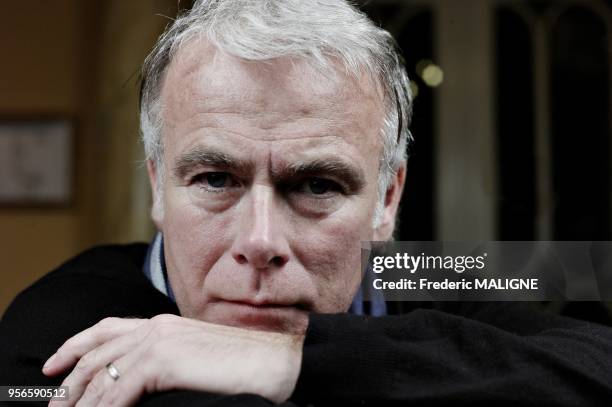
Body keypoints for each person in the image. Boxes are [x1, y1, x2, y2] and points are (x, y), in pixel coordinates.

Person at [1, 0, 612, 406]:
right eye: (216, 179)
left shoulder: (416, 268)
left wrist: (297, 360)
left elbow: (593, 350)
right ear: (158, 186)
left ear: (388, 200)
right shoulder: (68, 308)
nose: (261, 241)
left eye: (318, 185)